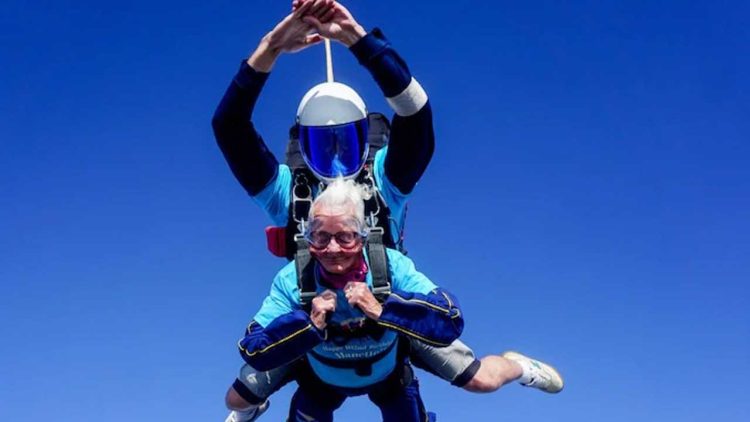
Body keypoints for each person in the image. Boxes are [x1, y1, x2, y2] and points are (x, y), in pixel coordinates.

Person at [213, 1, 564, 420]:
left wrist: (357, 40)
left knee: (479, 380)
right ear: (302, 147)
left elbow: (416, 115)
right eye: (322, 145)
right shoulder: (291, 194)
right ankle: (255, 403)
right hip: (314, 330)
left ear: (364, 140)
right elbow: (229, 127)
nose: (336, 159)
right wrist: (270, 47)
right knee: (237, 398)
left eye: (346, 141)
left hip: (390, 324)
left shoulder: (383, 184)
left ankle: (518, 365)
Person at [238, 179, 463, 421]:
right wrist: (307, 324)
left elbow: (450, 319)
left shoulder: (388, 264)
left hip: (388, 368)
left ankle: (511, 364)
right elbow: (252, 347)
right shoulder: (293, 277)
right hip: (321, 373)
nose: (332, 249)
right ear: (308, 239)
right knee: (235, 399)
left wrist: (383, 310)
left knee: (482, 380)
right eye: (320, 237)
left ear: (363, 236)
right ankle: (250, 408)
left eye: (345, 237)